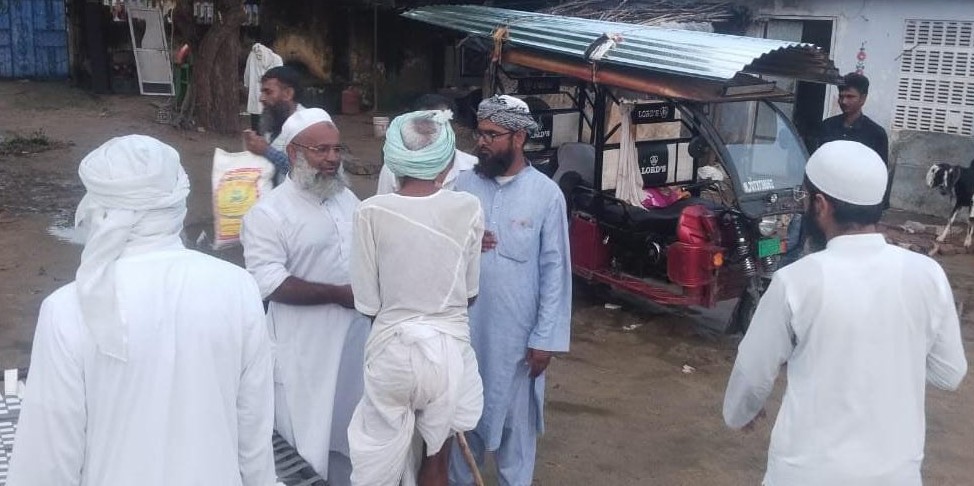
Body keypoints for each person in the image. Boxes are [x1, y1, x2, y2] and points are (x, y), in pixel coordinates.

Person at [7, 135, 275, 486]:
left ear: (99, 209)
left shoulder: (67, 308)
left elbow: (48, 461)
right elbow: (255, 430)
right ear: (177, 202)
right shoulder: (237, 287)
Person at [723, 140, 968, 485]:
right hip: (896, 476)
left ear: (821, 205)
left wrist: (739, 414)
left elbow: (752, 372)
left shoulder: (796, 281)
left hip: (806, 475)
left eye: (806, 198)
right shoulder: (927, 275)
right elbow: (949, 373)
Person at [348, 110, 485, 486]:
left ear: (393, 159)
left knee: (380, 469)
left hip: (392, 353)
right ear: (446, 162)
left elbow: (368, 304)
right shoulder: (468, 207)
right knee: (436, 459)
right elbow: (470, 294)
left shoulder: (369, 212)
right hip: (448, 355)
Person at [449, 95, 573, 486]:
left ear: (518, 137)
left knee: (516, 435)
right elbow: (440, 249)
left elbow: (555, 271)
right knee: (461, 425)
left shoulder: (546, 194)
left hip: (518, 344)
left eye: (492, 135)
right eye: (480, 133)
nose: (482, 142)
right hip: (465, 335)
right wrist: (466, 240)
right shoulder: (462, 187)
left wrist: (545, 339)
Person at [241, 108, 368, 486]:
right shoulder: (268, 213)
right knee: (308, 440)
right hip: (303, 349)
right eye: (320, 150)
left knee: (353, 434)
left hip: (355, 343)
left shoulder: (347, 199)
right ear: (294, 152)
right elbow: (267, 282)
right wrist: (337, 295)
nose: (332, 158)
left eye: (336, 149)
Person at [375, 94, 477, 194]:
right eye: (425, 121)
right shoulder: (393, 168)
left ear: (454, 127)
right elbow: (382, 204)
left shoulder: (472, 166)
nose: (431, 128)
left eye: (440, 121)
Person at [816, 72, 891, 206]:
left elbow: (880, 175)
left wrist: (877, 207)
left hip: (857, 202)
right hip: (827, 199)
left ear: (863, 98)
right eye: (841, 96)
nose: (844, 101)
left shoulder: (875, 133)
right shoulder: (827, 126)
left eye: (850, 97)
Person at [244, 66, 305, 185]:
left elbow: (306, 173)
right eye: (262, 92)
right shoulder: (274, 121)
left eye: (268, 92)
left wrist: (266, 151)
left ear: (288, 93)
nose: (261, 98)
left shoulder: (308, 125)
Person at [244, 42, 283, 131]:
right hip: (271, 97)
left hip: (255, 95)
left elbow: (247, 74)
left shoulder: (252, 56)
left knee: (256, 126)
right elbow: (281, 79)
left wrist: (248, 85)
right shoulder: (277, 59)